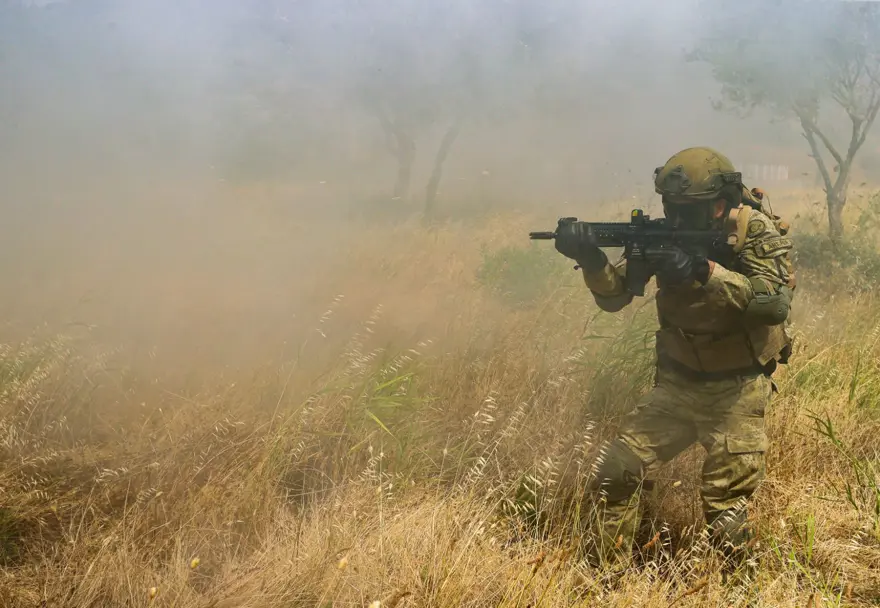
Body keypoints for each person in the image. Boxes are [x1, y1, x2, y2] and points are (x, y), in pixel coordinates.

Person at [553, 147, 795, 566]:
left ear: (721, 204)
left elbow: (773, 304)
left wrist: (703, 272)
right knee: (617, 472)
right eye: (672, 208)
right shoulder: (662, 236)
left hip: (736, 390)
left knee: (726, 510)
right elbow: (615, 299)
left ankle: (736, 590)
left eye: (690, 210)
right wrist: (590, 258)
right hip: (678, 384)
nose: (678, 219)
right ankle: (603, 578)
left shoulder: (755, 232)